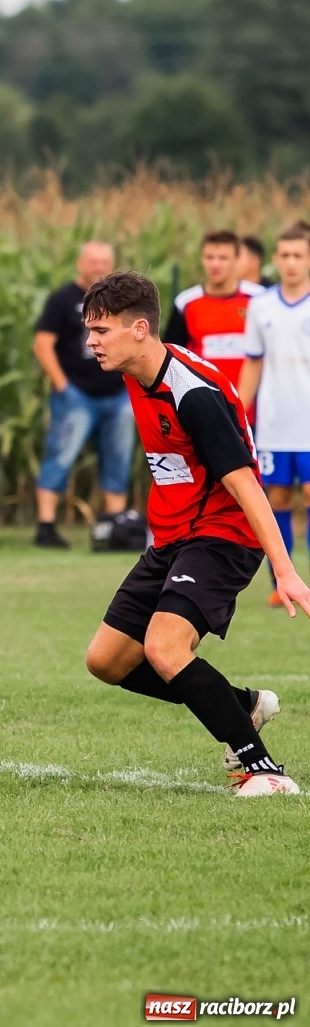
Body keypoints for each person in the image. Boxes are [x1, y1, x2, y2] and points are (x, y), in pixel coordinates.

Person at [81, 271, 308, 798]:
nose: (92, 341)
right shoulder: (133, 369)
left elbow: (247, 486)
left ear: (140, 329)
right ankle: (243, 705)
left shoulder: (193, 394)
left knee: (164, 647)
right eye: (90, 330)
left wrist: (285, 571)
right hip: (173, 536)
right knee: (107, 661)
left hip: (224, 535)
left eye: (101, 330)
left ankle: (264, 770)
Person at [31, 241, 133, 549]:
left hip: (118, 395)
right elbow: (42, 344)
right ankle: (46, 526)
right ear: (80, 264)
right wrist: (63, 385)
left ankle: (114, 527)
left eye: (104, 262)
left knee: (118, 458)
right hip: (77, 395)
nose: (99, 268)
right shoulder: (63, 300)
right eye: (93, 262)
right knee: (61, 455)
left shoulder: (121, 302)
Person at [239, 223, 310, 608]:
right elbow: (253, 363)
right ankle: (280, 584)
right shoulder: (261, 305)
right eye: (285, 255)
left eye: (298, 255)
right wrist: (238, 412)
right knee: (276, 498)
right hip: (274, 425)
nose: (291, 262)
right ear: (275, 260)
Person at [163, 230, 257, 389]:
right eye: (209, 257)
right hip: (204, 396)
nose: (215, 264)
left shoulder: (258, 299)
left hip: (249, 399)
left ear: (236, 259)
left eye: (223, 258)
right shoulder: (185, 302)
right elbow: (171, 357)